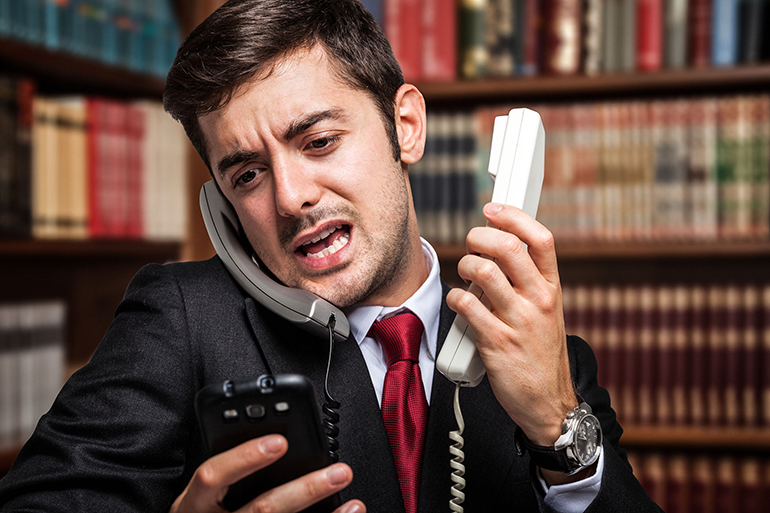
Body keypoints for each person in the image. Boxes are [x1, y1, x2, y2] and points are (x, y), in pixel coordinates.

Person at [0, 1, 661, 512]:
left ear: (405, 126)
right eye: (247, 174)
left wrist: (556, 426)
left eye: (317, 141)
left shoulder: (548, 355)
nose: (291, 198)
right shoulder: (178, 319)